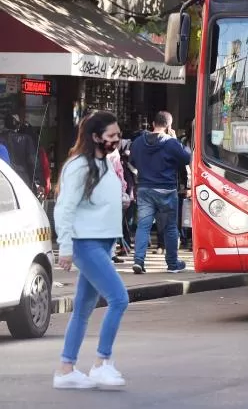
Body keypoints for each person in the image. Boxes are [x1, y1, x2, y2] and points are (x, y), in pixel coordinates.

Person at [52, 111, 129, 390]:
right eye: (111, 136)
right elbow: (65, 208)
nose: (117, 140)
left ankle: (65, 369)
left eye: (118, 135)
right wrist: (66, 246)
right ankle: (101, 363)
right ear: (95, 137)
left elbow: (93, 201)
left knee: (83, 310)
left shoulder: (104, 163)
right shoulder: (78, 166)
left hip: (102, 241)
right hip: (86, 243)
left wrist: (120, 199)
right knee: (119, 299)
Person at [129, 111, 190, 274]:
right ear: (169, 126)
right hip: (166, 190)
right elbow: (187, 158)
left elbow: (132, 162)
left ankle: (139, 261)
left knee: (143, 225)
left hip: (144, 188)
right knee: (170, 227)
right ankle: (172, 264)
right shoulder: (171, 143)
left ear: (152, 123)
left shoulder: (138, 142)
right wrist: (175, 139)